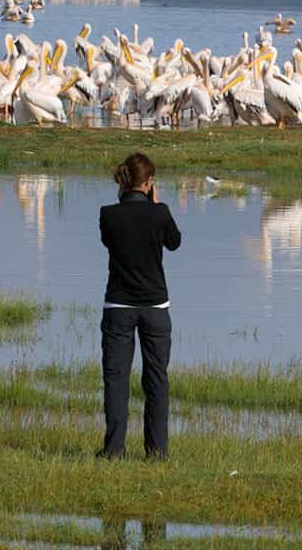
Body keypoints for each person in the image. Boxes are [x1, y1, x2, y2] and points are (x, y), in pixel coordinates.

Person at [97, 152, 182, 459]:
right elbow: (174, 242)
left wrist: (130, 200)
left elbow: (110, 242)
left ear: (124, 181)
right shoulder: (160, 212)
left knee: (116, 378)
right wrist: (156, 205)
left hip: (118, 305)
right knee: (157, 377)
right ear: (149, 183)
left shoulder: (109, 214)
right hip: (156, 307)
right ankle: (157, 451)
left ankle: (114, 450)